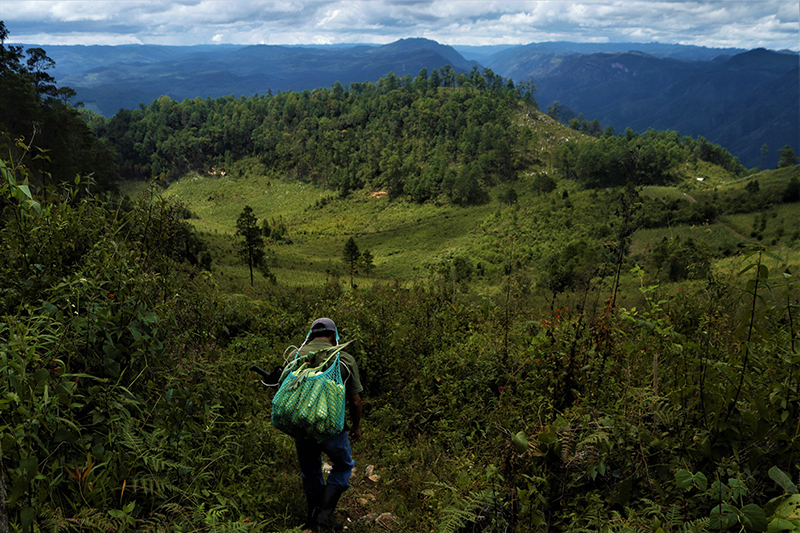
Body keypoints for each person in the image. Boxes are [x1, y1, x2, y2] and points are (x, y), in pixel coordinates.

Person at [293, 317, 363, 530]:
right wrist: (356, 426)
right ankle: (323, 516)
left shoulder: (296, 356)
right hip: (331, 427)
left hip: (302, 426)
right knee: (343, 465)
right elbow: (355, 401)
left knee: (311, 470)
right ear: (334, 336)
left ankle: (312, 516)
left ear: (310, 335)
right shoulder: (344, 359)